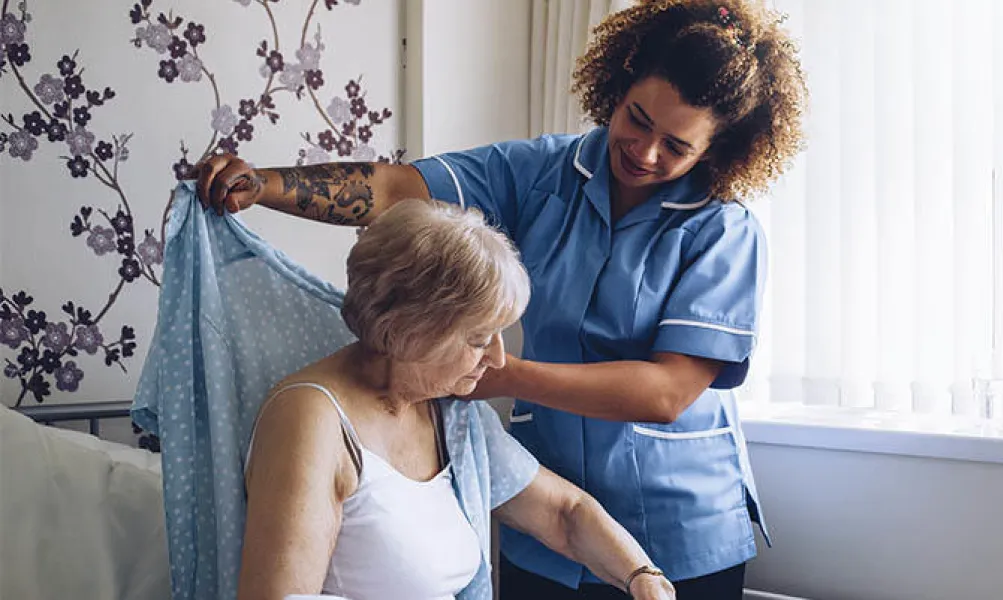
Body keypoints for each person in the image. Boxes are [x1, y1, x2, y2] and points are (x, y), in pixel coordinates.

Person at [200, 1, 808, 597]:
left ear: (717, 151)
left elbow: (666, 392)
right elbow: (396, 188)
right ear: (617, 86)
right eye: (637, 119)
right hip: (546, 519)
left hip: (680, 526)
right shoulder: (540, 172)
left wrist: (495, 371)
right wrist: (264, 186)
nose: (645, 152)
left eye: (676, 146)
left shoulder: (722, 230)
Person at [237, 198, 675, 600]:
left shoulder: (450, 413)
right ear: (411, 330)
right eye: (480, 338)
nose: (499, 358)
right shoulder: (311, 419)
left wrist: (642, 575)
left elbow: (564, 512)